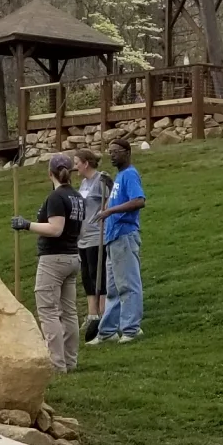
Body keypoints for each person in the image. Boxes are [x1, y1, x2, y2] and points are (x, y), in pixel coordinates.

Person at [16, 153, 85, 373]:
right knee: (69, 312)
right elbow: (79, 230)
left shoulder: (56, 198)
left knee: (48, 311)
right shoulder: (78, 197)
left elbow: (56, 229)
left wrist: (26, 225)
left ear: (50, 174)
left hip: (53, 259)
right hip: (73, 257)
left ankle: (56, 364)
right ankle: (70, 361)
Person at [95, 139, 145, 344]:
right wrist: (110, 184)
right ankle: (107, 331)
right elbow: (121, 195)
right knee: (113, 288)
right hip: (113, 237)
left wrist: (110, 211)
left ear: (127, 152)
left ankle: (131, 329)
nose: (112, 155)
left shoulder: (130, 174)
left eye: (115, 152)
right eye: (110, 152)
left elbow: (138, 201)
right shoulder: (120, 176)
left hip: (124, 234)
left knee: (128, 284)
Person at [76, 152, 112, 343]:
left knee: (99, 275)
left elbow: (110, 200)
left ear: (86, 163)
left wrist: (102, 215)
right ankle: (92, 315)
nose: (76, 167)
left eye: (77, 163)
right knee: (87, 276)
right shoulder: (83, 184)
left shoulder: (101, 180)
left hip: (97, 236)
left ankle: (104, 314)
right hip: (83, 237)